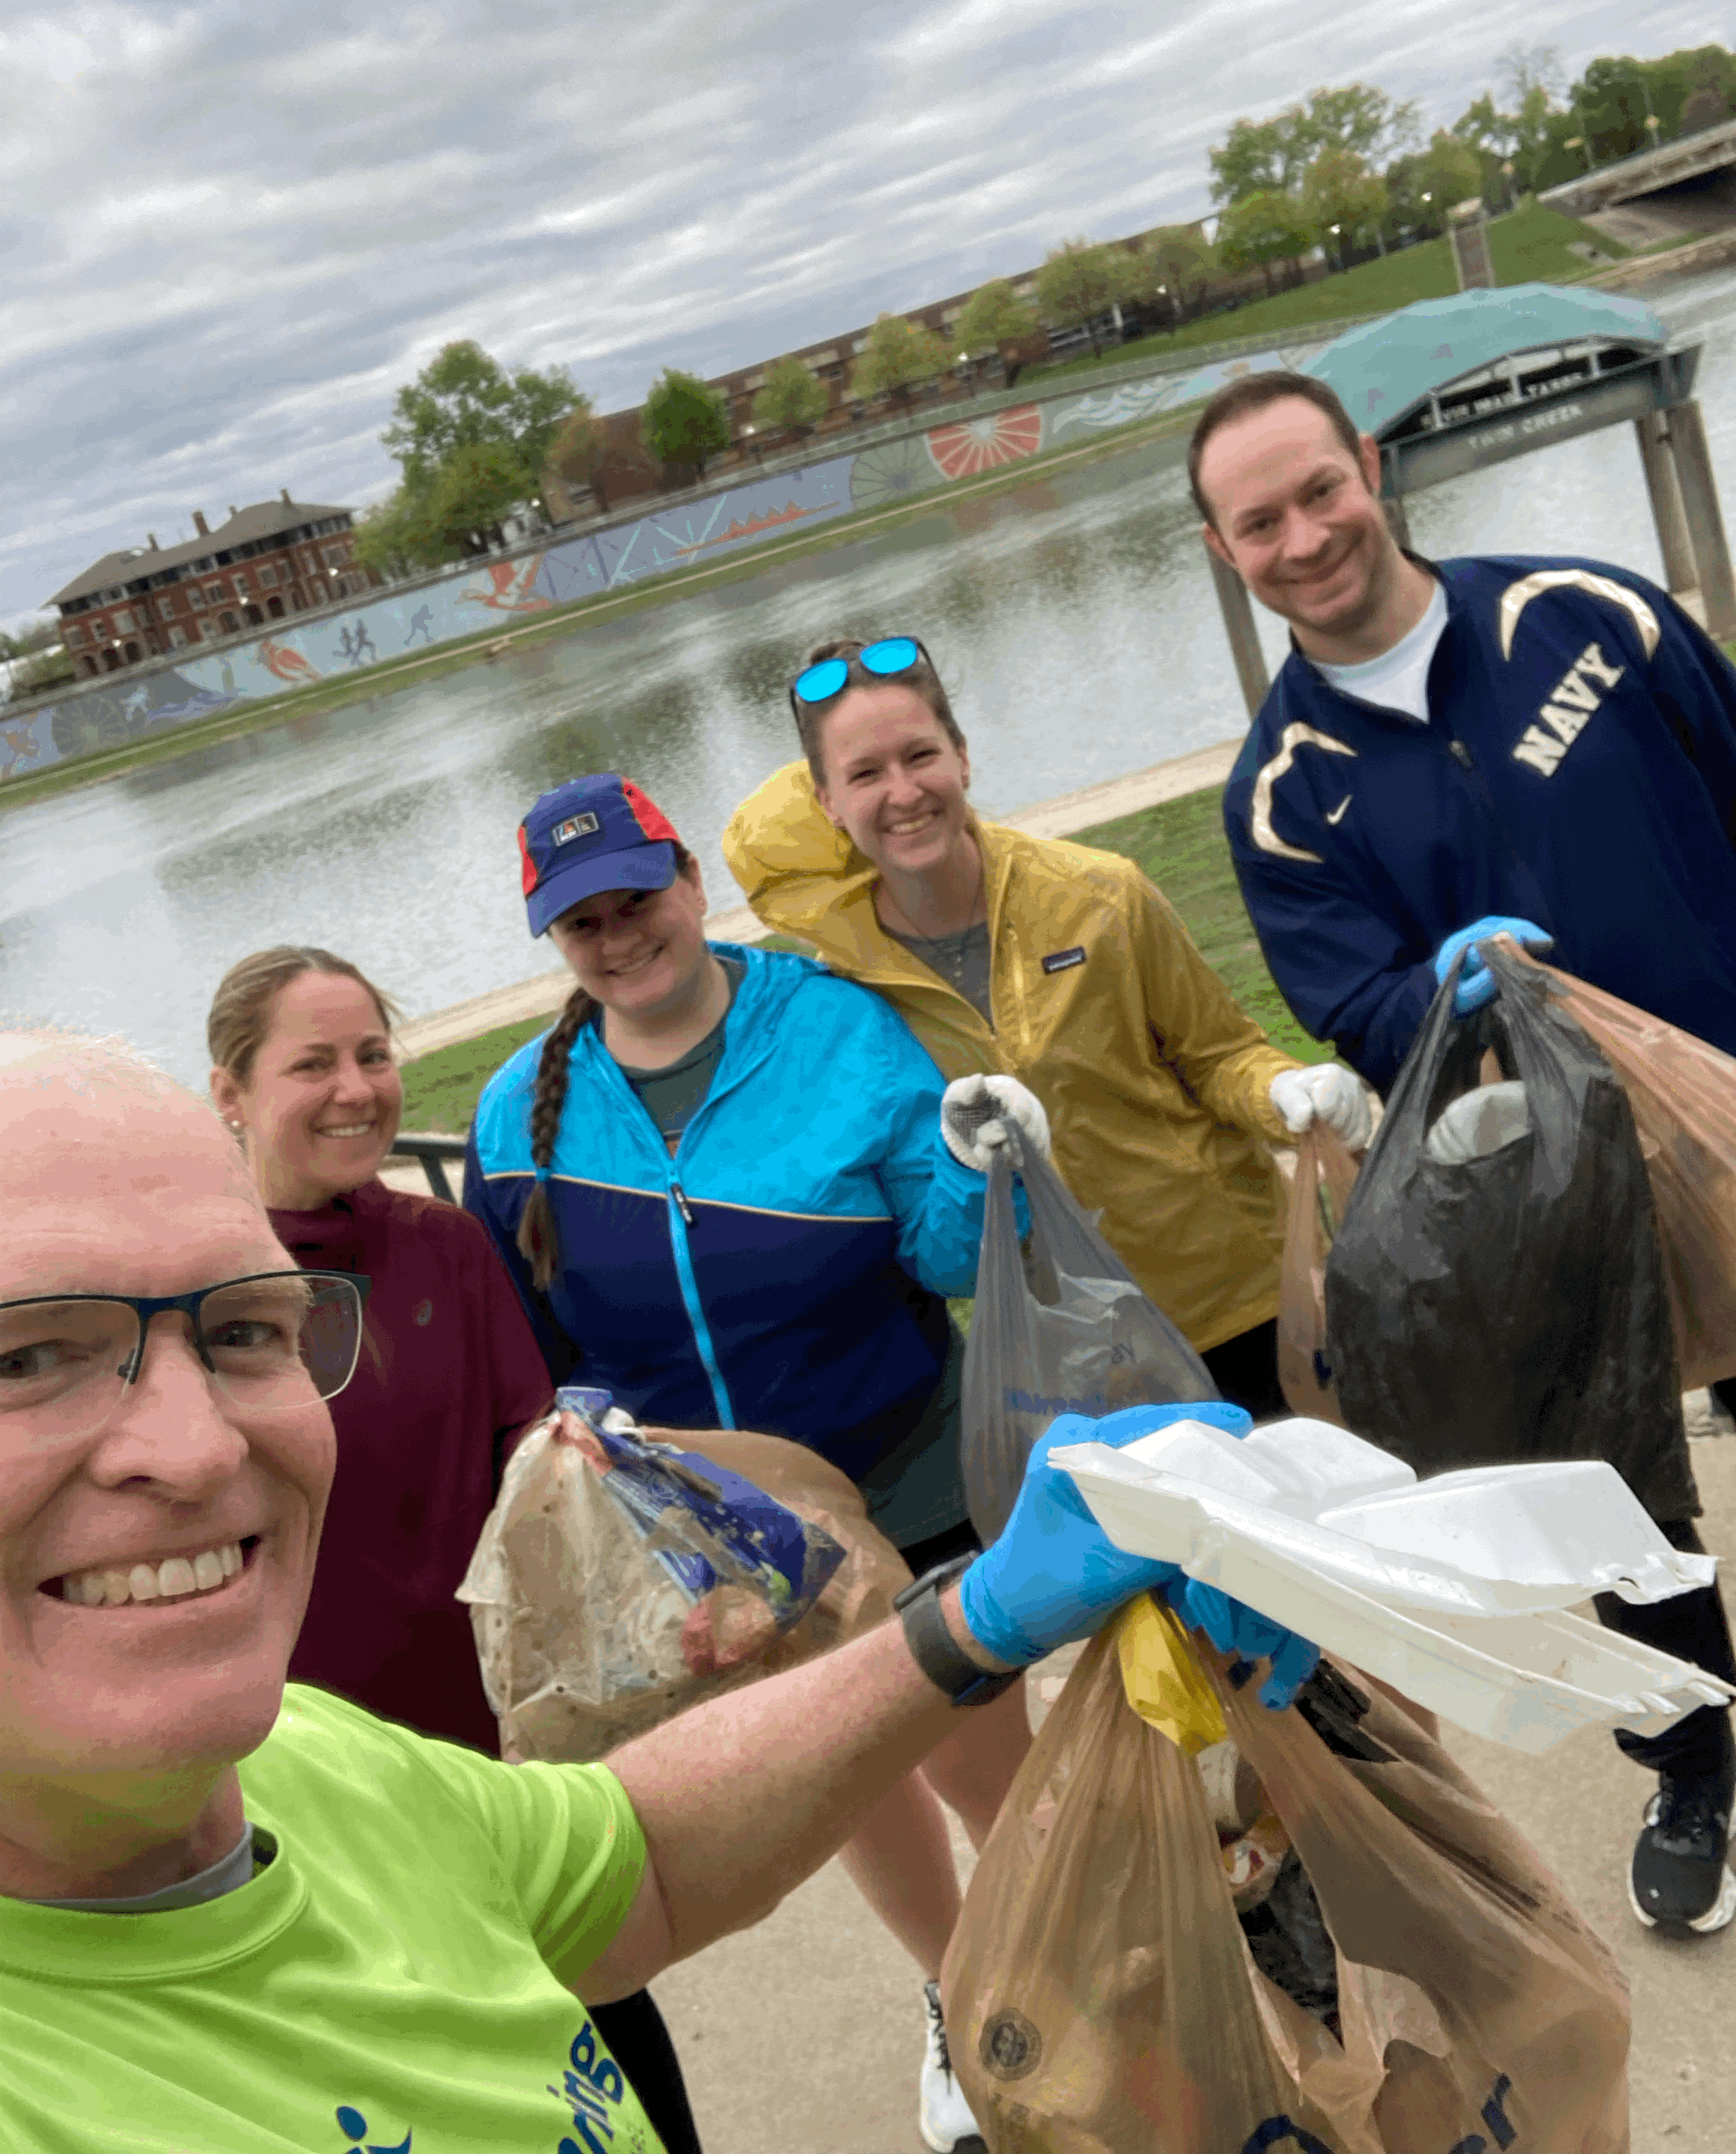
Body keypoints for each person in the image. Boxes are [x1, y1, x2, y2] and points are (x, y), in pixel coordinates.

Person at [0, 1025, 1314, 2150]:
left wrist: (976, 1615)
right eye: (25, 1358)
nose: (196, 1447)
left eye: (244, 1329)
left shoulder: (309, 1757)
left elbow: (643, 1862)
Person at [1196, 366, 1736, 1937]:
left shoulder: (1586, 616)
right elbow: (1354, 1002)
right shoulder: (1280, 797)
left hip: (1724, 1102)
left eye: (1319, 489)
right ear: (1224, 550)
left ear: (1369, 466)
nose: (1304, 536)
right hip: (1534, 1188)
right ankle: (1693, 1755)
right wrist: (1434, 985)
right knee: (1614, 1487)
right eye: (1259, 522)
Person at [463, 772, 1051, 2154]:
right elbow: (529, 1344)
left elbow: (947, 1257)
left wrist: (985, 1170)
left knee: (996, 1774)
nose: (620, 935)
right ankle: (962, 1996)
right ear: (554, 940)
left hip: (907, 1476)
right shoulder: (513, 1111)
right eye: (583, 921)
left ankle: (1063, 1971)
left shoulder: (833, 1026)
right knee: (844, 1775)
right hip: (722, 1536)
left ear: (690, 880)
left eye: (638, 896)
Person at [207, 945, 703, 2154]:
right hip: (307, 1777)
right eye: (311, 1063)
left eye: (373, 1054)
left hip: (494, 1755)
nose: (355, 1088)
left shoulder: (442, 1244)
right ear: (230, 1092)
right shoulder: (202, 1291)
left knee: (609, 2054)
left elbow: (526, 1468)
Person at [721, 636, 1375, 1424]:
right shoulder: (846, 984)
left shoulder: (1099, 893)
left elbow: (1220, 1056)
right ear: (824, 802)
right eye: (864, 774)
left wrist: (1283, 1088)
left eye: (920, 755)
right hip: (1077, 1359)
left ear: (963, 756)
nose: (904, 792)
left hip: (1242, 1300)